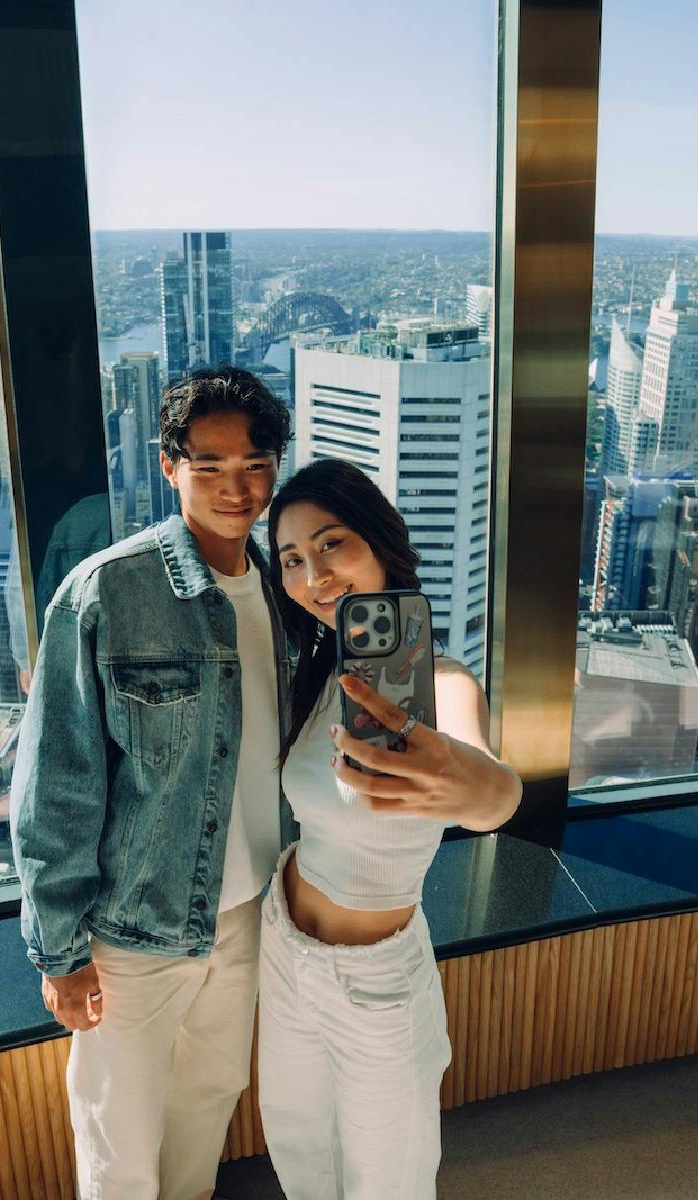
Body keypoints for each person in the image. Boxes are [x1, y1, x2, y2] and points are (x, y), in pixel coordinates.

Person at [10, 366, 297, 1200]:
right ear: (169, 466)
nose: (236, 488)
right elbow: (55, 784)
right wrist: (60, 953)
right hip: (133, 929)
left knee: (210, 1098)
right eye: (210, 466)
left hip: (247, 914)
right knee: (119, 1136)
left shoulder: (287, 589)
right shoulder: (109, 590)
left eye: (255, 464)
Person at [259, 457, 522, 1199]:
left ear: (380, 541)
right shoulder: (320, 676)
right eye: (292, 559)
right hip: (283, 942)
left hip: (374, 977)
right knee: (299, 1149)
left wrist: (475, 785)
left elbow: (493, 793)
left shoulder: (442, 683)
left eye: (331, 544)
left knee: (389, 1180)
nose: (314, 575)